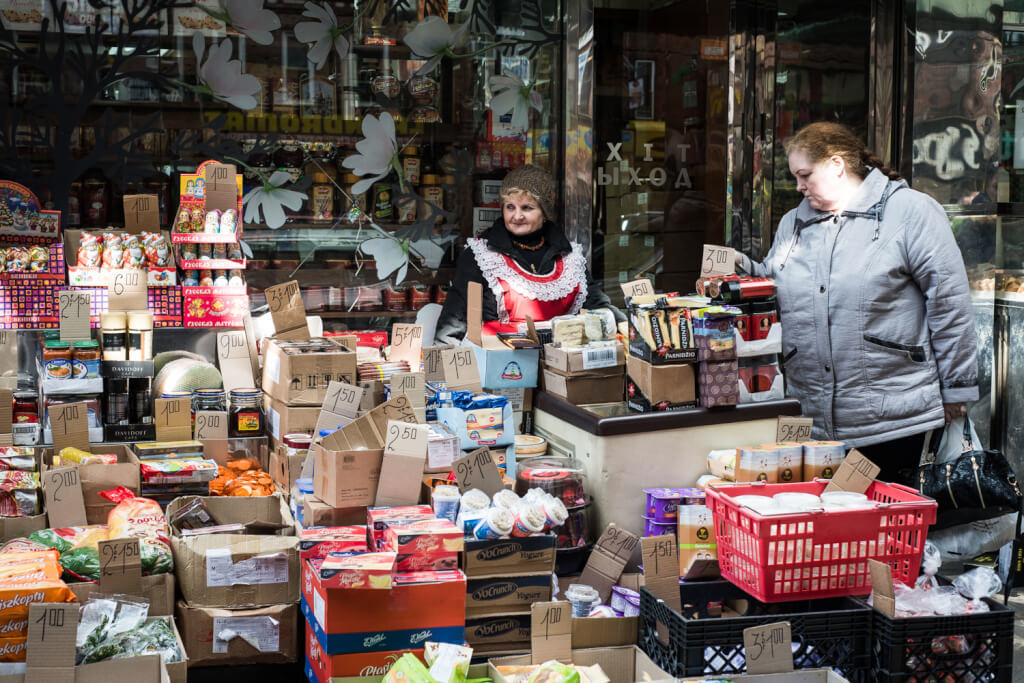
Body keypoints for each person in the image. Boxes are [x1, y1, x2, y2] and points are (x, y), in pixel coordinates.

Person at [737, 122, 978, 483]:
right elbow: (774, 283)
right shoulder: (794, 223)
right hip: (815, 422)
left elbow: (950, 305)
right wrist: (740, 272)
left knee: (891, 529)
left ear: (837, 165)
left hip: (894, 422)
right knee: (836, 534)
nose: (799, 186)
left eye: (805, 175)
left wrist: (957, 389)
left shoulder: (911, 212)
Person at [436, 164, 623, 344]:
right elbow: (453, 322)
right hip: (504, 368)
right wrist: (443, 373)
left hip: (561, 370)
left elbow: (599, 307)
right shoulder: (481, 256)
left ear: (545, 212)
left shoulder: (569, 257)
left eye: (527, 208)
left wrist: (632, 330)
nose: (517, 216)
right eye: (510, 207)